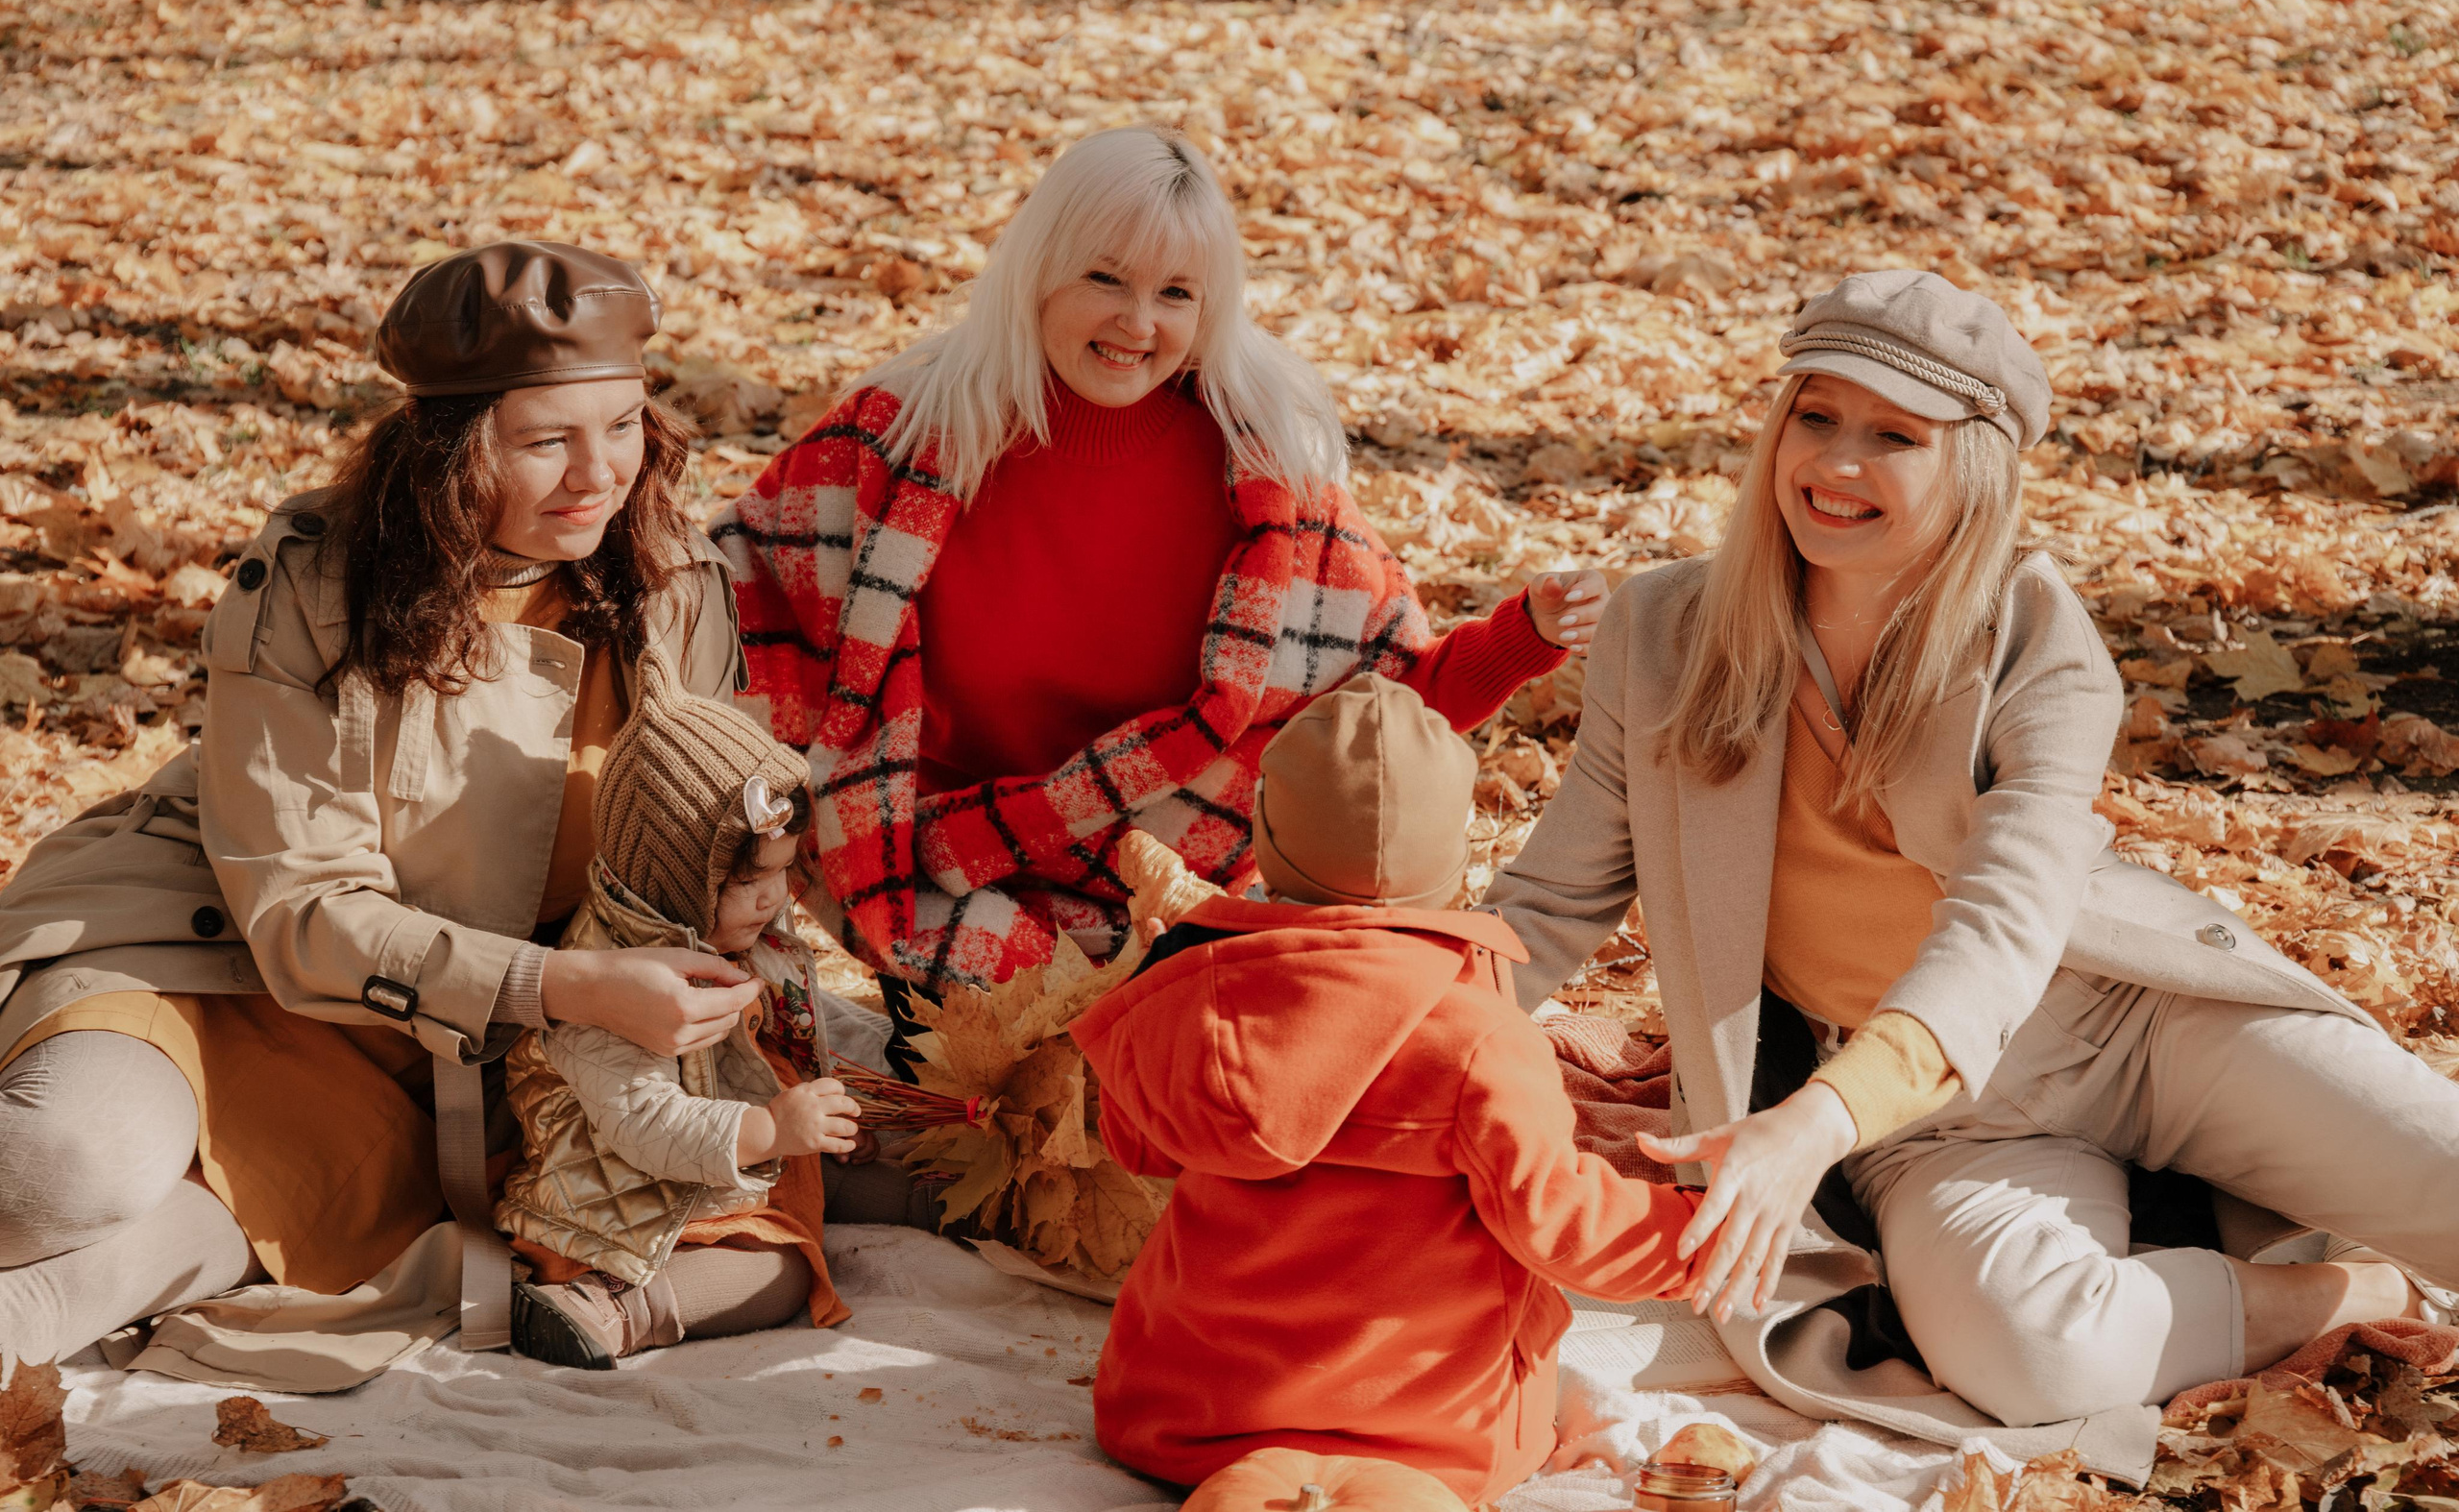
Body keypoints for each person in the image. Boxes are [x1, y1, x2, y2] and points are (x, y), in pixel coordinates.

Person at [1485, 270, 2459, 1464]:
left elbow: (2002, 922)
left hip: (2140, 1028)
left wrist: (1806, 1129)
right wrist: (1378, 1025)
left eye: (1894, 435)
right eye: (1815, 416)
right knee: (2031, 1360)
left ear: (1973, 466)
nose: (1836, 464)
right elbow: (1547, 902)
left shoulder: (2038, 638)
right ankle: (2341, 1292)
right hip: (1932, 1125)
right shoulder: (1663, 632)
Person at [0, 242, 800, 1375]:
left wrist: (724, 933)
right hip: (227, 964)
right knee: (59, 1171)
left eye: (623, 426)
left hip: (500, 1038)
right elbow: (303, 908)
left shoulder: (672, 577)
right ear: (451, 452)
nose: (599, 474)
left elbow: (697, 830)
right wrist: (563, 986)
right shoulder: (318, 581)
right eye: (545, 441)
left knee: (299, 1217)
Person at [715, 125, 1604, 1059]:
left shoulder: (1263, 481)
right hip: (940, 904)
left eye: (1174, 294)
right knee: (973, 1164)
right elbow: (731, 590)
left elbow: (1386, 708)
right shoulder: (909, 438)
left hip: (1169, 908)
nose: (1138, 323)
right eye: (1106, 280)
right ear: (1040, 271)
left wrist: (1527, 635)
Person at [1073, 676, 1703, 1506]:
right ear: (1459, 853)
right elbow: (1560, 1219)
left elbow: (1135, 1142)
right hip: (1433, 1429)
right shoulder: (1482, 1037)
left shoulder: (1202, 1000)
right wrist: (1697, 1229)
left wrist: (1154, 996)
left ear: (1265, 838)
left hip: (1189, 1410)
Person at [498, 643, 933, 1367]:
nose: (774, 896)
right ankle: (609, 1304)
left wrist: (808, 1114)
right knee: (784, 1270)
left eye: (783, 871)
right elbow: (641, 1121)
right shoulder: (611, 982)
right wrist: (765, 1128)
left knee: (863, 1172)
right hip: (629, 1194)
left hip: (740, 1146)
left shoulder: (739, 928)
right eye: (750, 878)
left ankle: (961, 1205)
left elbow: (777, 1042)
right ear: (675, 880)